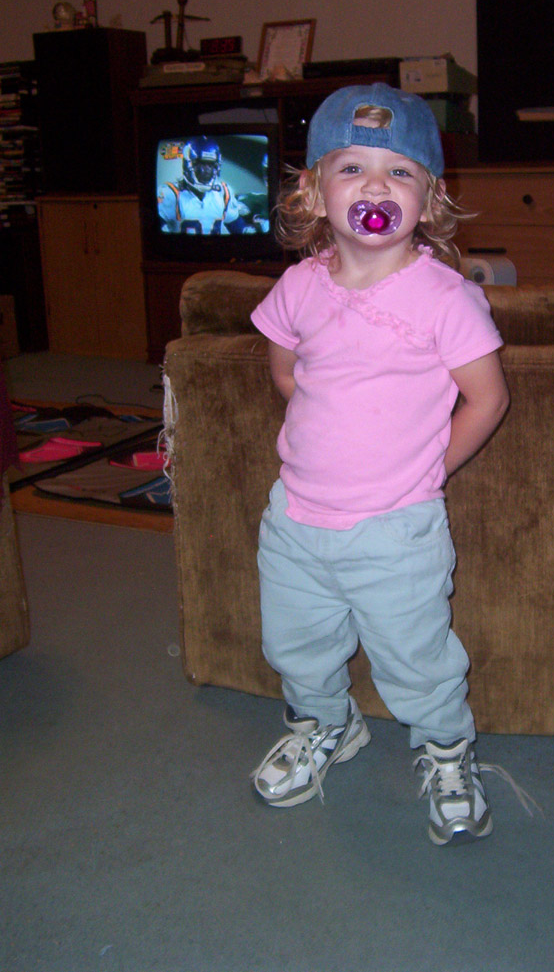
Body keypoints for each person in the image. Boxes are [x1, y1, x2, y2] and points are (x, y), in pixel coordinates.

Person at [249, 83, 510, 845]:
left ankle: (446, 750)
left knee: (417, 655)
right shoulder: (298, 285)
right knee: (295, 643)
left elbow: (487, 398)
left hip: (396, 528)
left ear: (429, 198)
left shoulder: (446, 298)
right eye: (351, 167)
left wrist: (429, 467)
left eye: (399, 171)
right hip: (296, 518)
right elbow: (286, 372)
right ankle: (326, 723)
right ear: (314, 190)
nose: (374, 186)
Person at [157, 136, 252, 235]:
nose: (206, 170)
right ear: (187, 165)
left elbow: (239, 229)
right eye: (201, 164)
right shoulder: (171, 194)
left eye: (210, 165)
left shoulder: (223, 193)